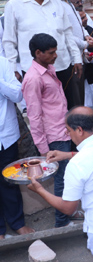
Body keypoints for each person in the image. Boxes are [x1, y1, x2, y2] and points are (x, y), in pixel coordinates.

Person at [27, 106, 93, 262]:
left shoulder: (77, 165)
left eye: (68, 130)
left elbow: (69, 208)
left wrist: (40, 190)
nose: (67, 134)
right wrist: (68, 155)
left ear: (80, 130)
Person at [3, 0, 83, 90]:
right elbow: (9, 41)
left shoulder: (57, 2)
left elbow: (67, 33)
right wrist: (13, 69)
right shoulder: (14, 5)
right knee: (40, 108)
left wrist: (77, 59)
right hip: (33, 72)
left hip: (63, 66)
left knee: (70, 108)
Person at [22, 33, 72, 228]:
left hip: (62, 130)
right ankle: (62, 222)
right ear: (38, 53)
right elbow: (34, 116)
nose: (56, 55)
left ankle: (68, 212)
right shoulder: (33, 79)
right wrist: (43, 148)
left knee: (67, 177)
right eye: (51, 53)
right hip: (53, 137)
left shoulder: (48, 69)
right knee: (60, 180)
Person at [0, 55, 35, 239]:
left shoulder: (2, 62)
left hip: (6, 134)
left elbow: (17, 93)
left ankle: (17, 223)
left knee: (9, 180)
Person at [49, 0, 93, 108]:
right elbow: (63, 33)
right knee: (74, 102)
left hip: (79, 55)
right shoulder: (54, 4)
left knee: (80, 98)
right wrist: (84, 44)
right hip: (69, 60)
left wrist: (86, 36)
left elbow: (77, 25)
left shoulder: (66, 1)